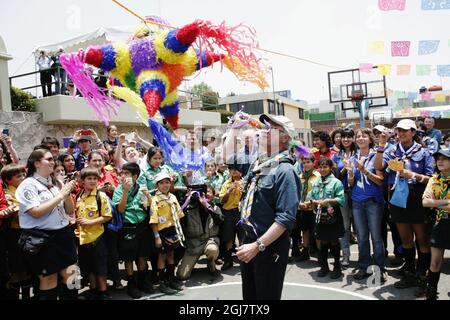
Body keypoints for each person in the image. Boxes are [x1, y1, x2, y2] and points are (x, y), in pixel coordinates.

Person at [224, 113, 300, 300]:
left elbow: (285, 218)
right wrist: (234, 127)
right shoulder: (261, 164)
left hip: (268, 246)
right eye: (264, 127)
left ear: (285, 138)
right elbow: (227, 156)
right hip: (249, 240)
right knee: (250, 296)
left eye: (271, 129)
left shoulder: (285, 171)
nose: (264, 131)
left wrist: (257, 246)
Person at [374, 119, 433, 292]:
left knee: (422, 238)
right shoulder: (391, 150)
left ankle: (423, 273)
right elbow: (378, 166)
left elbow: (431, 178)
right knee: (405, 238)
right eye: (399, 131)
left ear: (413, 132)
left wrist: (412, 175)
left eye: (405, 130)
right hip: (397, 198)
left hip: (416, 197)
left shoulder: (424, 152)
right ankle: (410, 271)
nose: (401, 133)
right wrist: (381, 145)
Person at [15, 149, 78, 300]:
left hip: (63, 234)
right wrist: (61, 195)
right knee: (48, 279)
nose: (52, 162)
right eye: (48, 159)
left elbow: (69, 210)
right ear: (36, 163)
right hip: (43, 239)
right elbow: (35, 212)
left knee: (72, 274)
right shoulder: (28, 185)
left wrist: (66, 193)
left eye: (53, 159)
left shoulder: (56, 183)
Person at [347, 129, 386, 281]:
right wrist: (351, 173)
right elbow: (351, 183)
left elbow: (380, 180)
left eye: (364, 136)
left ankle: (379, 268)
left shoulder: (376, 155)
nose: (360, 138)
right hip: (357, 201)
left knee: (376, 237)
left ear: (370, 139)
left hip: (373, 202)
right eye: (358, 136)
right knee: (362, 237)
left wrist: (364, 171)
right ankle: (363, 266)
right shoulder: (353, 157)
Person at [112, 163, 154, 299]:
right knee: (129, 258)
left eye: (127, 174)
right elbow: (120, 209)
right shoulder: (119, 189)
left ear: (135, 176)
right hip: (127, 227)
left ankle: (142, 281)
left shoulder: (142, 189)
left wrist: (147, 198)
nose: (123, 176)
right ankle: (131, 284)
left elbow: (147, 206)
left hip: (142, 226)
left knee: (142, 256)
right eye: (122, 173)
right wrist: (125, 191)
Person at [75, 167, 112, 300]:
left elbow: (107, 216)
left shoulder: (100, 196)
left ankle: (103, 292)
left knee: (100, 268)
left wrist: (90, 222)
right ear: (82, 181)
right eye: (89, 178)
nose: (92, 181)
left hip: (97, 238)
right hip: (83, 239)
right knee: (88, 267)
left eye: (95, 179)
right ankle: (93, 289)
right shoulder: (79, 196)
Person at [308, 157, 345, 279]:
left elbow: (341, 199)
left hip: (333, 215)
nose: (322, 169)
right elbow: (311, 196)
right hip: (319, 215)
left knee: (334, 241)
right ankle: (324, 266)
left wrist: (329, 201)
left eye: (325, 167)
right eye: (320, 167)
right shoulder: (316, 182)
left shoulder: (336, 182)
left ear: (330, 168)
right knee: (322, 240)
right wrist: (310, 202)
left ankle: (337, 267)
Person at [177, 185, 223, 280]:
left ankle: (211, 263)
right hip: (194, 244)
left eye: (208, 192)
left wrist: (206, 205)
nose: (205, 195)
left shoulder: (215, 208)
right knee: (182, 276)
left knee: (212, 249)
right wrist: (187, 198)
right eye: (202, 193)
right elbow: (178, 215)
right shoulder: (189, 208)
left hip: (210, 241)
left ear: (214, 195)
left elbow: (219, 221)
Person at [150, 172, 185, 295]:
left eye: (167, 182)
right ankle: (162, 281)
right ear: (157, 185)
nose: (165, 185)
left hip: (173, 230)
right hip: (161, 232)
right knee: (162, 257)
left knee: (171, 255)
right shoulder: (155, 200)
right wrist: (157, 237)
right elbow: (153, 221)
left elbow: (179, 214)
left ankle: (171, 278)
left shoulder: (173, 197)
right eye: (161, 183)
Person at [422, 148, 450, 300]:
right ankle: (431, 291)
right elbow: (425, 202)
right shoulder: (434, 179)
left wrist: (434, 203)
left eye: (444, 158)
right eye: (438, 158)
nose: (440, 161)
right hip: (439, 223)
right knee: (435, 262)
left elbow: (430, 202)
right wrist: (445, 203)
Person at [1, 164, 32, 300]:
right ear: (8, 180)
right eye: (18, 176)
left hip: (27, 233)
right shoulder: (9, 194)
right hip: (15, 235)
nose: (23, 177)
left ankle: (26, 295)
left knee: (26, 269)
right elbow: (18, 212)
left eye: (23, 174)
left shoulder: (26, 191)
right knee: (16, 270)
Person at [331, 128, 357, 267]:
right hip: (343, 194)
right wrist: (345, 168)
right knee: (345, 226)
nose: (346, 139)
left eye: (349, 137)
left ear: (353, 138)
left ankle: (363, 257)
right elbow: (335, 176)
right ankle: (345, 255)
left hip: (358, 194)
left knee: (360, 227)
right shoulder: (336, 156)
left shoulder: (358, 153)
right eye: (343, 137)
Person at [290, 154, 320, 262]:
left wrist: (310, 202)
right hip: (302, 208)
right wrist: (299, 203)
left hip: (314, 208)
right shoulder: (300, 176)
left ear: (313, 163)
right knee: (305, 230)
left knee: (316, 232)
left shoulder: (318, 175)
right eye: (304, 163)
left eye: (308, 162)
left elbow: (320, 191)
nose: (306, 165)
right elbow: (296, 192)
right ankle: (305, 250)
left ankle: (321, 254)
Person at [219, 166, 243, 270]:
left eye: (236, 170)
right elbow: (222, 201)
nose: (234, 172)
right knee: (229, 237)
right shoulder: (226, 184)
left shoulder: (245, 182)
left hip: (241, 213)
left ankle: (244, 259)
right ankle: (228, 260)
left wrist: (242, 188)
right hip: (229, 213)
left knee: (243, 236)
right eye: (232, 170)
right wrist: (229, 191)